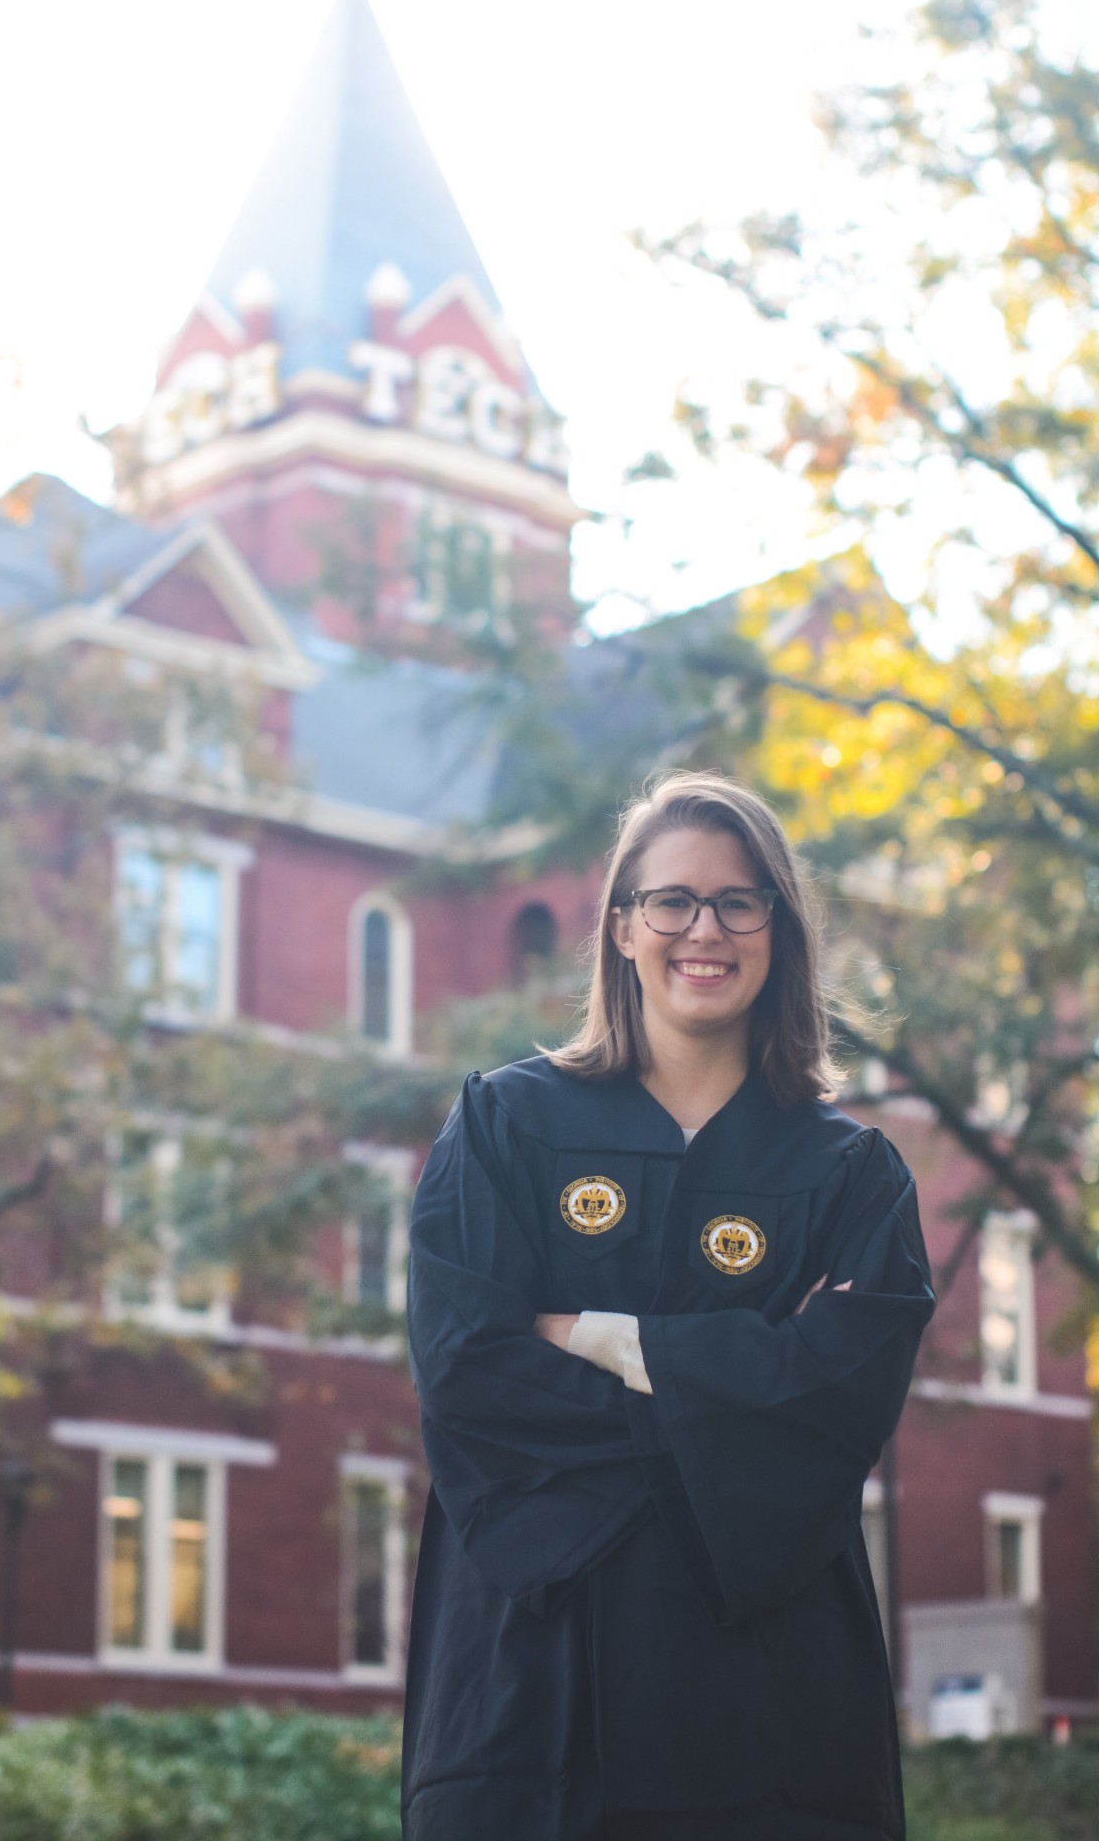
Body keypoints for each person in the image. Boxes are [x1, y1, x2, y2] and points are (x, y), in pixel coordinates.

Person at [402, 771, 934, 1841]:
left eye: (739, 901)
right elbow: (469, 1377)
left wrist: (604, 1340)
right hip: (534, 1675)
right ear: (620, 928)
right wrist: (741, 1380)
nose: (706, 928)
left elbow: (839, 1405)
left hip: (767, 1691)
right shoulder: (505, 1126)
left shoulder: (847, 1174)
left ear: (778, 931)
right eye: (671, 901)